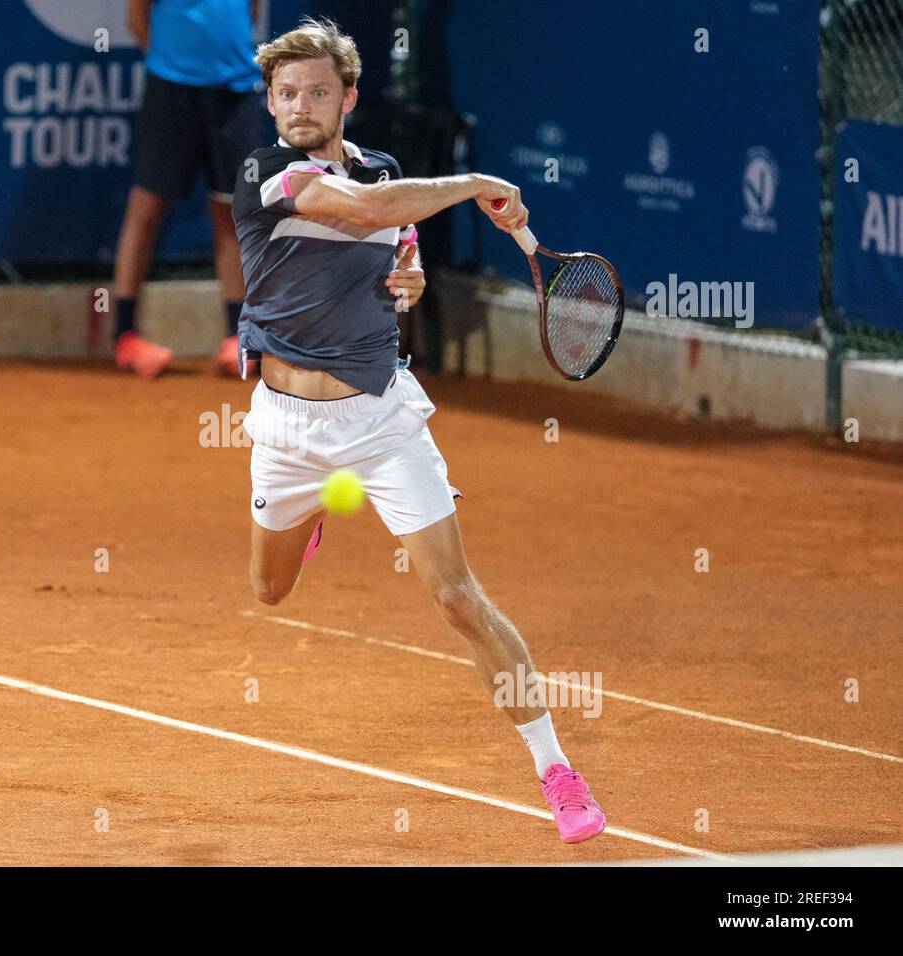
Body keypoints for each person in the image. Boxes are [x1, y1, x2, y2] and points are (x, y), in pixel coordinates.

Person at [234, 18, 606, 844]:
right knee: (269, 591)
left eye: (318, 92)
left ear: (349, 97)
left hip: (380, 417)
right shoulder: (265, 172)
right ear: (270, 102)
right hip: (286, 426)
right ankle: (318, 511)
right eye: (287, 93)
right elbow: (362, 211)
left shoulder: (387, 172)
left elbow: (396, 247)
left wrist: (407, 278)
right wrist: (474, 181)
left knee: (455, 596)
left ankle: (556, 769)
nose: (301, 106)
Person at [115, 0, 266, 378]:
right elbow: (137, 18)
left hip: (236, 91)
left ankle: (238, 339)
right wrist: (175, 66)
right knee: (146, 209)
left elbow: (252, 11)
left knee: (231, 212)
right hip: (170, 90)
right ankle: (125, 336)